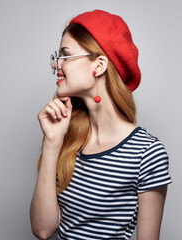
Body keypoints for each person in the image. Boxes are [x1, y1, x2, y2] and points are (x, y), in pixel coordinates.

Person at [30, 9, 172, 240]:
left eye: (65, 55)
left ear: (98, 66)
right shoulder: (66, 137)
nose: (57, 65)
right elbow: (43, 230)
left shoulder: (147, 153)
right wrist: (52, 142)